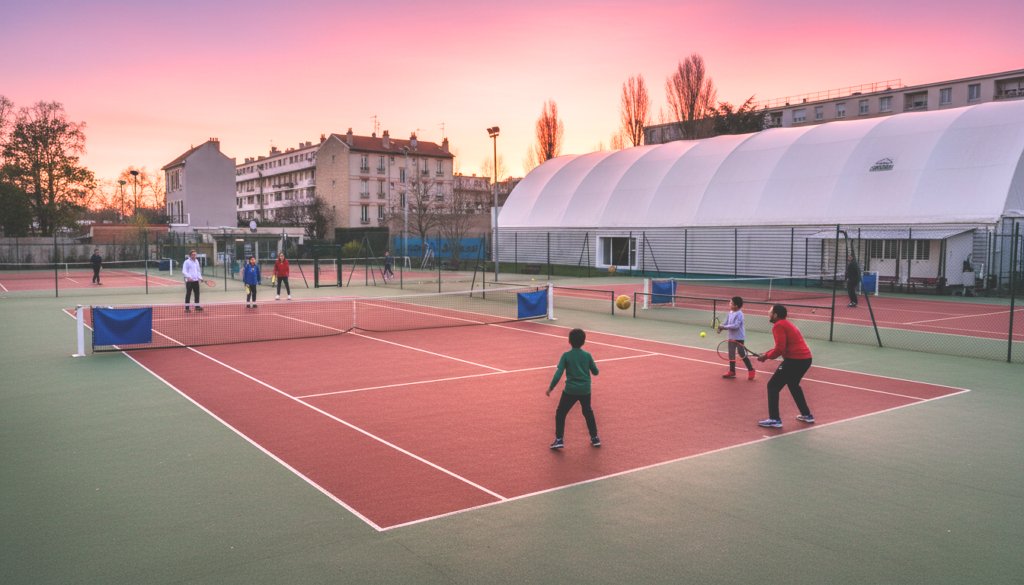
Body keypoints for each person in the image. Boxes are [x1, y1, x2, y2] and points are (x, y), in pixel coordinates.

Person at [756, 304, 814, 428]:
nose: (768, 313)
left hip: (795, 360)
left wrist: (765, 357)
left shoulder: (778, 326)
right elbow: (781, 347)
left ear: (775, 315)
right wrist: (766, 354)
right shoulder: (786, 323)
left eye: (770, 311)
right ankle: (806, 414)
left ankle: (774, 419)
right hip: (805, 359)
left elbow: (779, 349)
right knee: (793, 385)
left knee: (773, 386)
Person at [546, 328, 601, 449]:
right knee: (587, 412)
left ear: (569, 341)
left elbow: (558, 374)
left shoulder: (566, 356)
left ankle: (559, 439)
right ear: (584, 341)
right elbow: (596, 372)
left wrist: (551, 388)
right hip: (585, 390)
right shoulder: (587, 355)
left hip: (570, 390)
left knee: (561, 412)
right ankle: (595, 437)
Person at [716, 296, 755, 380]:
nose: (729, 304)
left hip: (739, 337)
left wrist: (724, 327)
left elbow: (736, 326)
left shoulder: (740, 314)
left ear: (736, 306)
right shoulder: (730, 312)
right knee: (731, 354)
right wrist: (721, 328)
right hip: (731, 337)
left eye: (731, 303)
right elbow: (726, 322)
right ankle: (732, 371)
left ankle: (751, 370)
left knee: (742, 354)